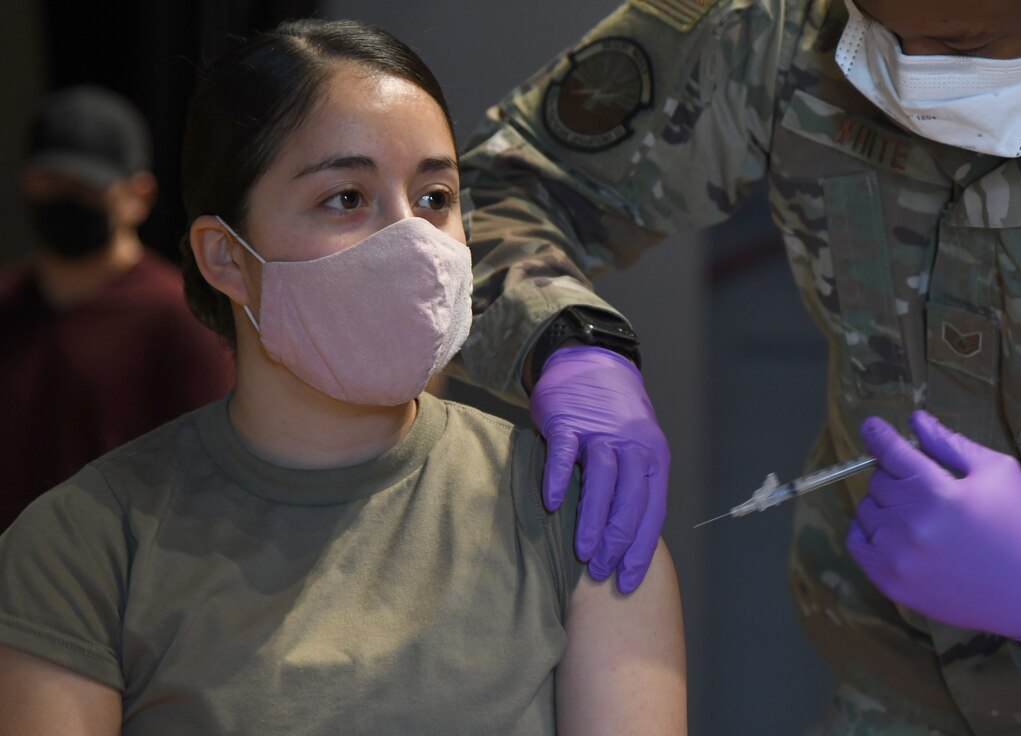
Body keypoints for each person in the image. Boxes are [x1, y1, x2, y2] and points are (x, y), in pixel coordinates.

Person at [0, 19, 686, 735]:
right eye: (347, 199)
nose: (413, 241)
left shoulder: (573, 516)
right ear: (227, 257)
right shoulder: (84, 548)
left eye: (434, 198)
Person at [456, 0, 1021, 732]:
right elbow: (489, 190)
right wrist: (565, 340)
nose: (915, 70)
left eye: (964, 41)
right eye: (885, 32)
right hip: (891, 690)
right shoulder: (780, 23)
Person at [0, 85, 235, 531]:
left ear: (137, 197)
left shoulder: (182, 318)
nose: (63, 201)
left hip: (118, 586)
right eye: (49, 183)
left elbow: (212, 482)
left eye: (85, 188)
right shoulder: (8, 306)